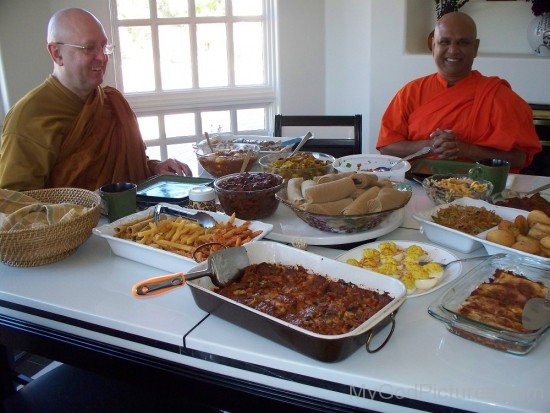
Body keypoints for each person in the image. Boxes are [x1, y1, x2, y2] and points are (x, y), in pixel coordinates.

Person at [0, 8, 192, 192]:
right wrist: (86, 205)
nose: (102, 57)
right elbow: (14, 204)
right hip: (75, 226)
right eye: (89, 48)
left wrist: (155, 169)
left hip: (133, 222)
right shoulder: (28, 117)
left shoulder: (111, 102)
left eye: (103, 46)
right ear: (57, 53)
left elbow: (128, 166)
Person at [376, 12, 541, 173]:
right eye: (445, 42)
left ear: (475, 48)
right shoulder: (410, 92)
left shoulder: (498, 96)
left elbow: (519, 157)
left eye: (463, 42)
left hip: (481, 189)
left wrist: (466, 150)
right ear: (434, 46)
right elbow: (387, 147)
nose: (453, 50)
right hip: (417, 185)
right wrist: (430, 145)